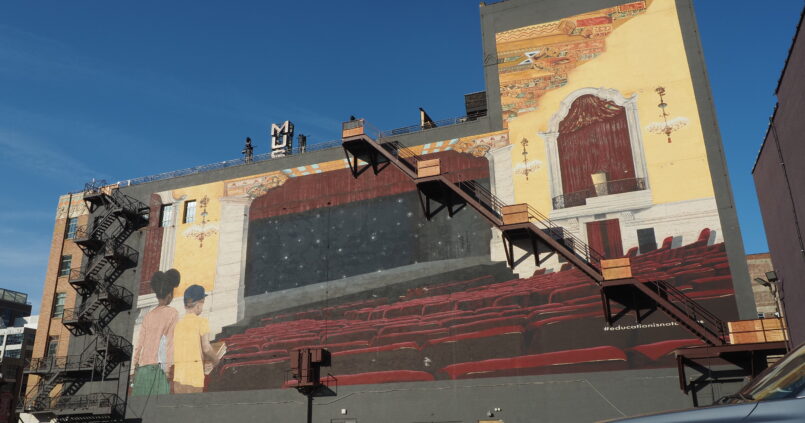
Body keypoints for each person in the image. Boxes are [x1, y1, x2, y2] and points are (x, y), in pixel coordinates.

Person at [131, 269, 180, 396]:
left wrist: (134, 367)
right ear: (170, 295)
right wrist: (168, 370)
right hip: (158, 370)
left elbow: (139, 345)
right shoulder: (172, 313)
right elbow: (170, 343)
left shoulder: (148, 316)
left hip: (142, 371)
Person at [173, 284, 220, 394]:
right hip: (194, 378)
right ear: (199, 304)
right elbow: (206, 348)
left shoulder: (178, 325)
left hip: (179, 379)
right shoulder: (202, 322)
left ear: (185, 305)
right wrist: (216, 361)